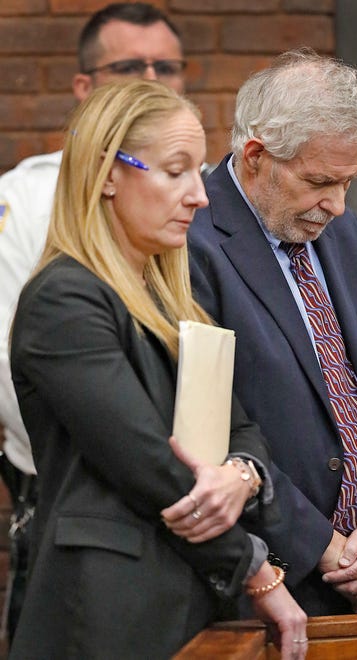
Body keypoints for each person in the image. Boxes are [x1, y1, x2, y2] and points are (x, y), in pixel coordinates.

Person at [8, 80, 307, 660]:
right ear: (108, 173)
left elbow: (240, 431)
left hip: (189, 604)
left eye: (199, 171)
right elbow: (150, 466)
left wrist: (241, 475)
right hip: (106, 615)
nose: (200, 195)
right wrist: (255, 569)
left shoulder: (172, 301)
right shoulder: (63, 298)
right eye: (175, 171)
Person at [0, 1, 213, 641]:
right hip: (76, 495)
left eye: (165, 65)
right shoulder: (27, 197)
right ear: (84, 87)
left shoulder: (186, 199)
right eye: (128, 65)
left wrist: (236, 473)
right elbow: (15, 371)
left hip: (184, 516)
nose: (151, 76)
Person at [188, 47, 357, 616]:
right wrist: (321, 546)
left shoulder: (341, 233)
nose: (338, 206)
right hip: (263, 580)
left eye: (348, 182)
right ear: (256, 155)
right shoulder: (191, 243)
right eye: (320, 181)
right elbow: (210, 430)